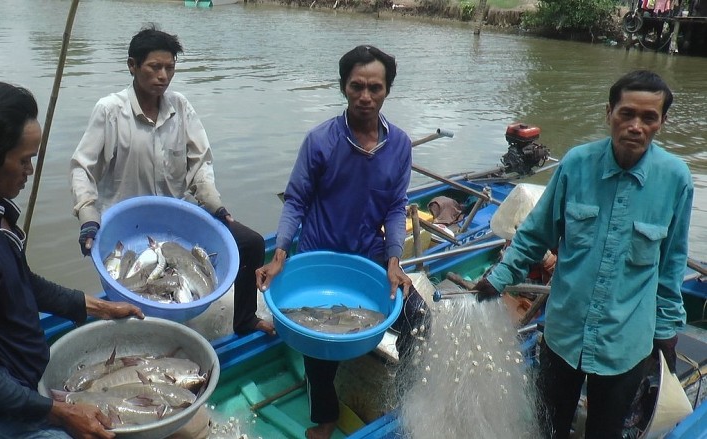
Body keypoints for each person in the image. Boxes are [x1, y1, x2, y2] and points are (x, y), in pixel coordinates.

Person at [0, 81, 146, 439]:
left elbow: (22, 284)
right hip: (7, 418)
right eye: (24, 160)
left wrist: (102, 308)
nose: (30, 170)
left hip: (31, 389)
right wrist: (59, 413)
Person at [473, 70, 693, 438]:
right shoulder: (576, 164)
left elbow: (671, 264)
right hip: (564, 334)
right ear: (609, 113)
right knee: (548, 427)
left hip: (626, 343)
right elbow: (535, 234)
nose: (636, 126)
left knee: (605, 431)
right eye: (627, 113)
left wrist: (666, 332)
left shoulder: (676, 179)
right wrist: (498, 279)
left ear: (662, 122)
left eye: (649, 117)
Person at [255, 45, 430, 439]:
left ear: (387, 91)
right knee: (319, 346)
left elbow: (395, 207)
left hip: (369, 256)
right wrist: (280, 253)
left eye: (375, 88)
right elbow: (296, 201)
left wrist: (394, 261)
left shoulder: (399, 145)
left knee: (419, 321)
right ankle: (325, 417)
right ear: (343, 87)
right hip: (320, 256)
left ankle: (406, 399)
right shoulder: (321, 141)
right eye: (356, 86)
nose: (365, 96)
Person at [69, 25, 272, 336]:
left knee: (251, 243)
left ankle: (244, 320)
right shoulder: (110, 111)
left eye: (169, 68)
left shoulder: (180, 107)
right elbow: (82, 168)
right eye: (154, 67)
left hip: (176, 217)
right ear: (132, 65)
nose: (163, 76)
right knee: (137, 295)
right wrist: (88, 217)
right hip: (128, 227)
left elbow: (200, 163)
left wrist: (214, 204)